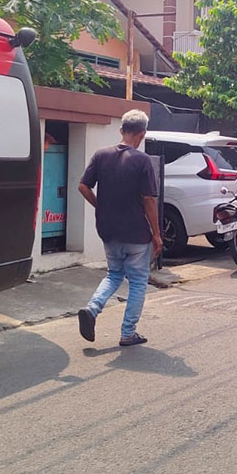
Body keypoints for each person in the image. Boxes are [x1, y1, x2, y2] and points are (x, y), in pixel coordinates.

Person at [77, 109, 163, 347]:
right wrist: (156, 234)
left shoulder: (101, 155)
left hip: (108, 229)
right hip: (136, 233)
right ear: (142, 134)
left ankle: (92, 309)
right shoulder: (142, 161)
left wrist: (100, 206)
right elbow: (148, 200)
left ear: (121, 130)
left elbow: (83, 186)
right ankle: (128, 333)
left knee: (114, 274)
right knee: (137, 281)